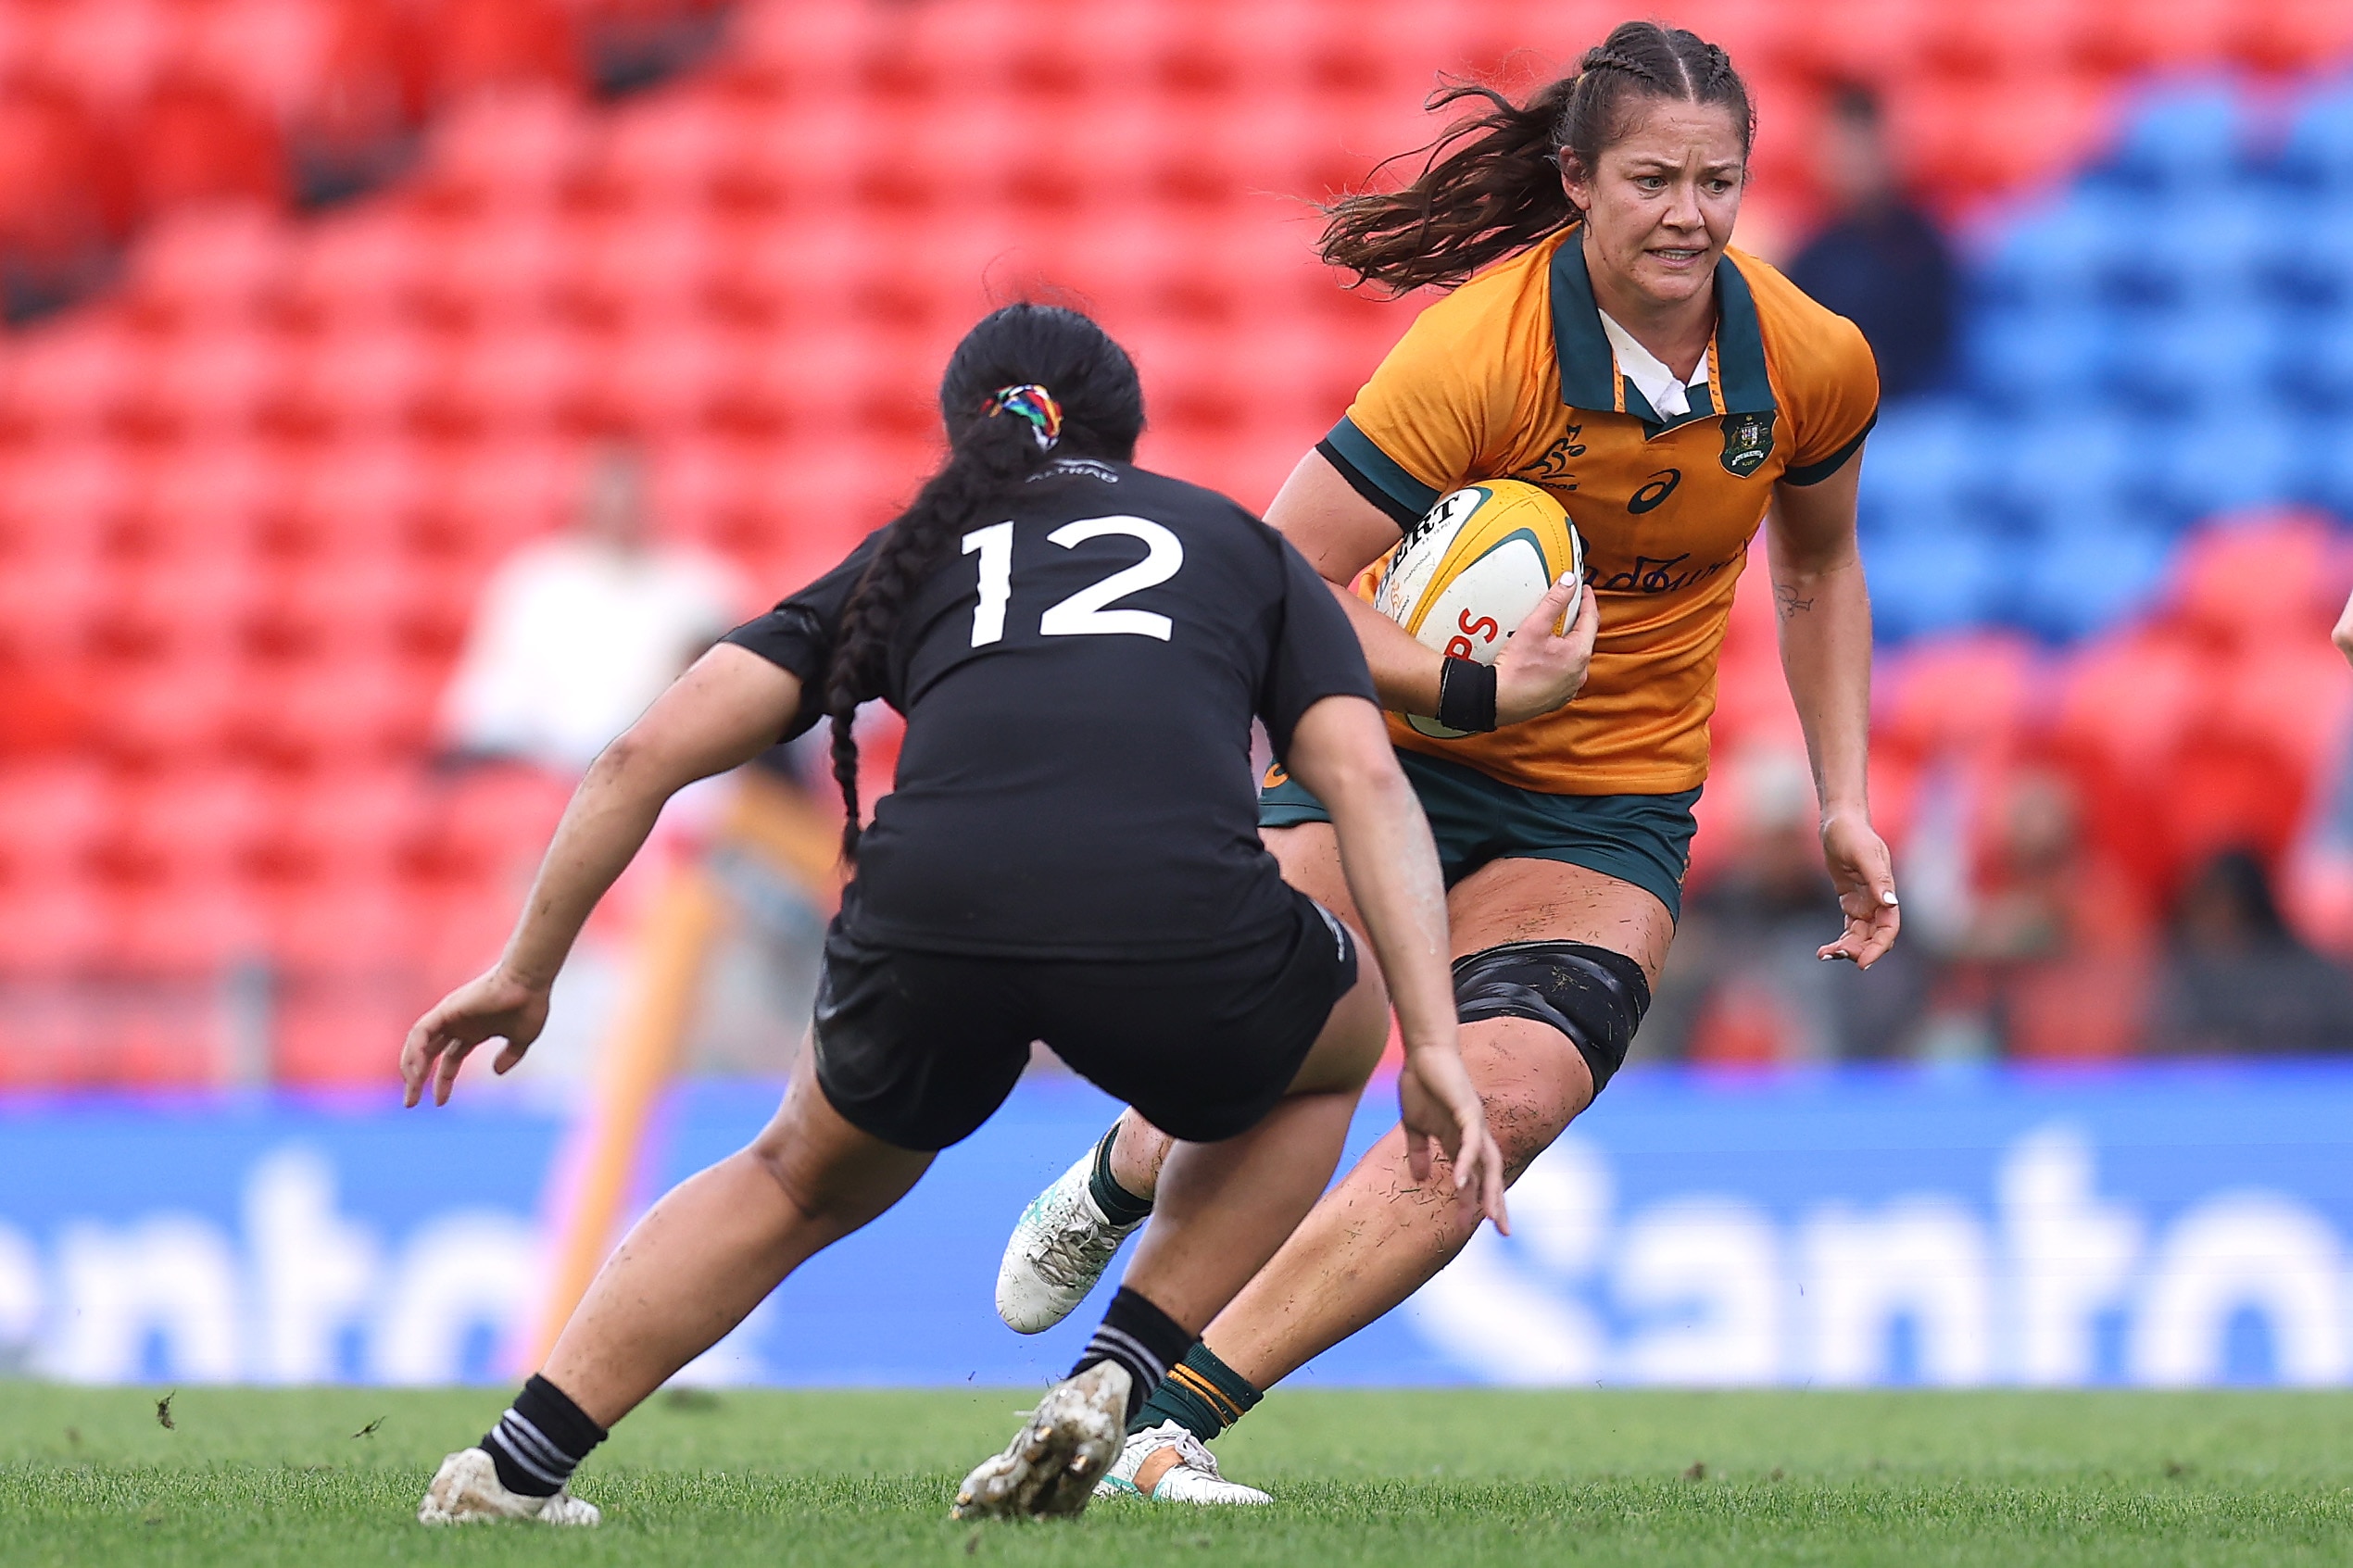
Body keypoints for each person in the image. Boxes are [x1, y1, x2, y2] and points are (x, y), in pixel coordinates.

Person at [397, 304, 1506, 1526]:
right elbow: (1365, 783)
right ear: (1130, 438)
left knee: (793, 1178)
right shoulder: (1233, 544)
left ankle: (513, 1464)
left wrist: (526, 970)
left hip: (932, 911)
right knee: (1327, 1050)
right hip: (1172, 916)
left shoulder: (921, 547)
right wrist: (1434, 1040)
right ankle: (1112, 1379)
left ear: (963, 436)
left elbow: (636, 759)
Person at [993, 22, 1897, 1504]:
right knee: (1286, 1047)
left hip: (1607, 809)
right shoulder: (1481, 351)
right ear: (1578, 179)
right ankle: (1125, 1164)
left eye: (1719, 182)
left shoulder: (1810, 360)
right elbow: (1278, 578)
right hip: (1392, 756)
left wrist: (1846, 796)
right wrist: (1477, 681)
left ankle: (1163, 1426)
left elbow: (1818, 573)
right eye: (1655, 178)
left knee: (1502, 1102)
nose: (1690, 213)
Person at [439, 441, 743, 776]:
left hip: (674, 771)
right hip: (547, 771)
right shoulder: (534, 584)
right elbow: (490, 705)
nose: (620, 509)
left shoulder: (701, 587)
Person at [1782, 83, 1956, 402]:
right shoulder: (1811, 257)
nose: (1852, 163)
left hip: (1913, 412)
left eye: (1861, 146)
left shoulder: (1925, 249)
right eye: (1842, 147)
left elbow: (1940, 346)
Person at [2147, 848, 2353, 1058]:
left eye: (2220, 910)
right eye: (2201, 910)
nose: (2208, 924)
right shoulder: (2185, 977)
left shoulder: (2312, 977)